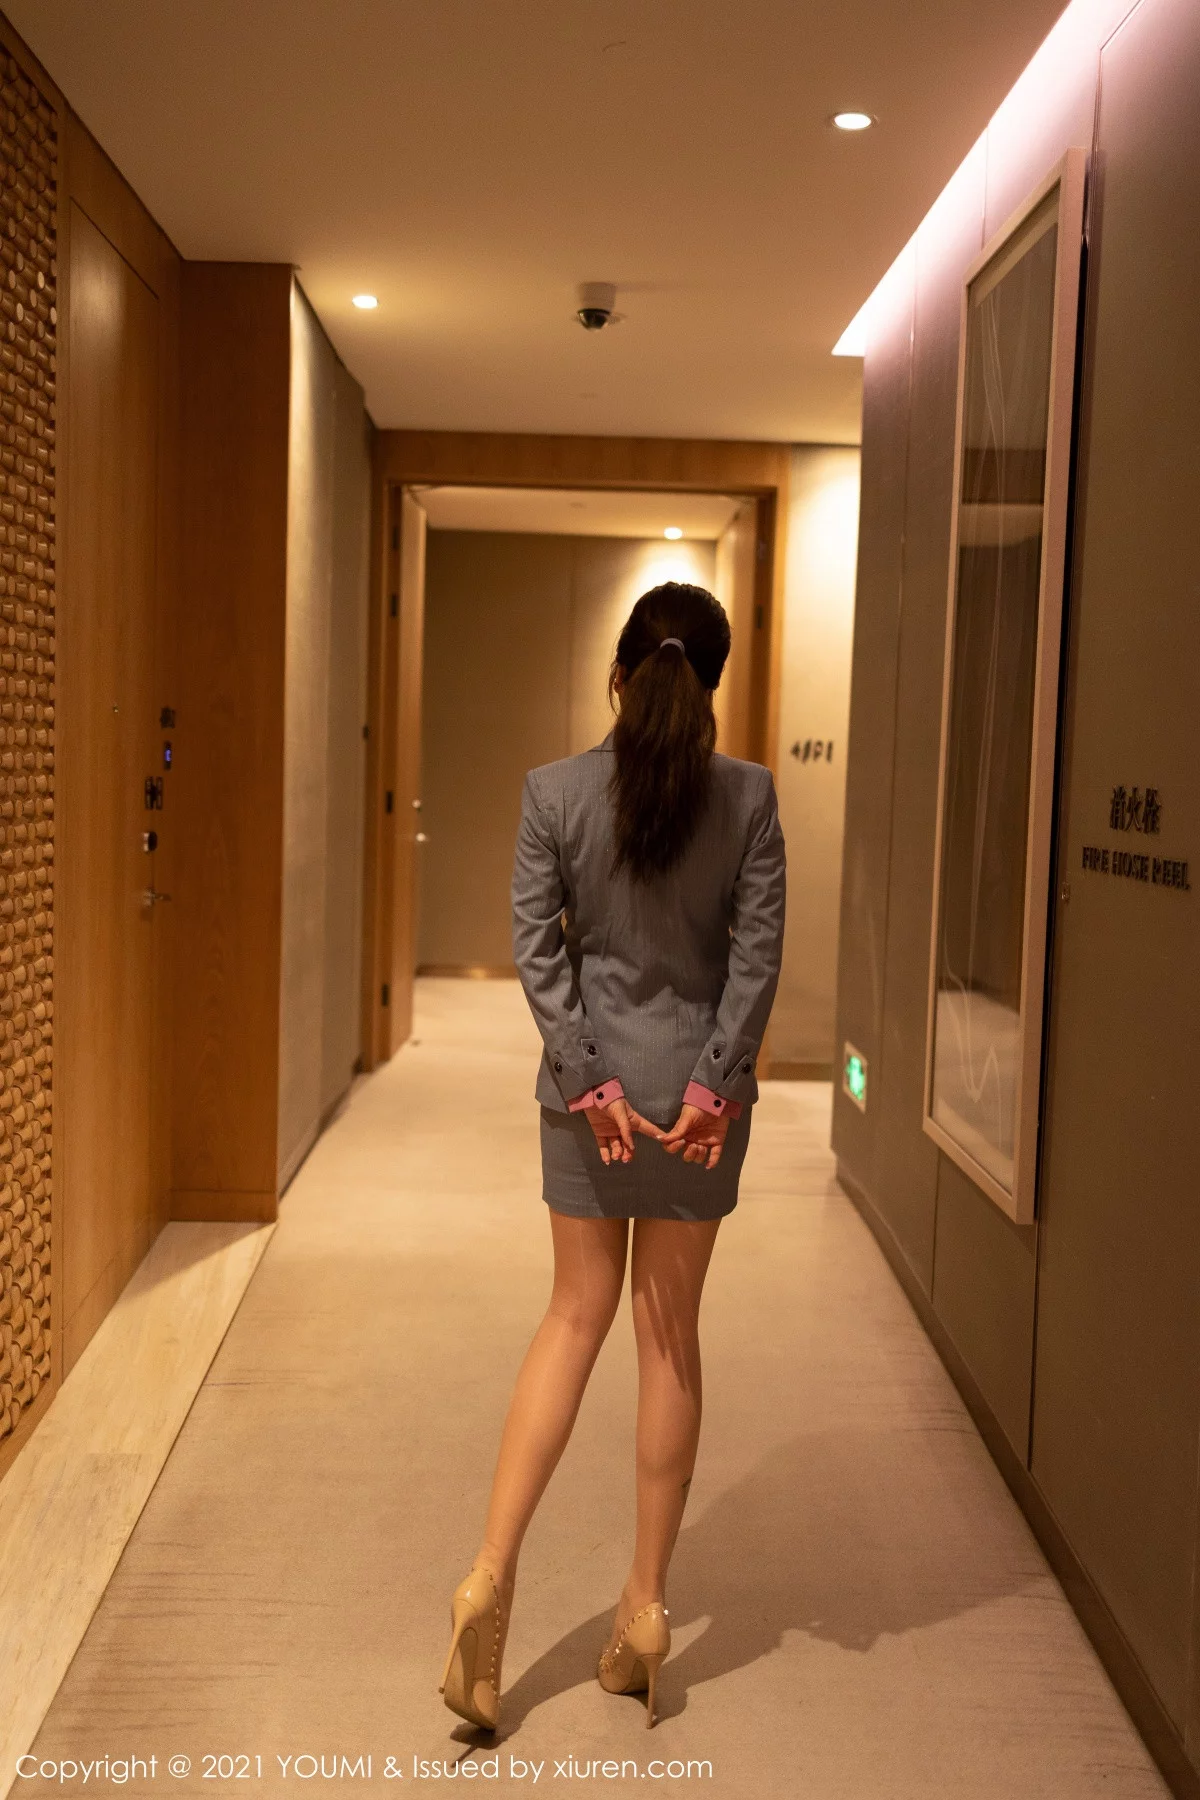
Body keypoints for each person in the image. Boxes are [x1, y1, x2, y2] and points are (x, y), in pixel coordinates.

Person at [438, 581, 786, 1731]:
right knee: (667, 1330)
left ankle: (489, 1576)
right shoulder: (749, 800)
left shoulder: (554, 792)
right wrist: (711, 1087)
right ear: (713, 685)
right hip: (695, 1113)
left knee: (571, 1317)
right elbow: (755, 959)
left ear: (617, 678)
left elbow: (538, 951)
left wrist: (589, 1082)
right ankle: (644, 1609)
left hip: (585, 1104)